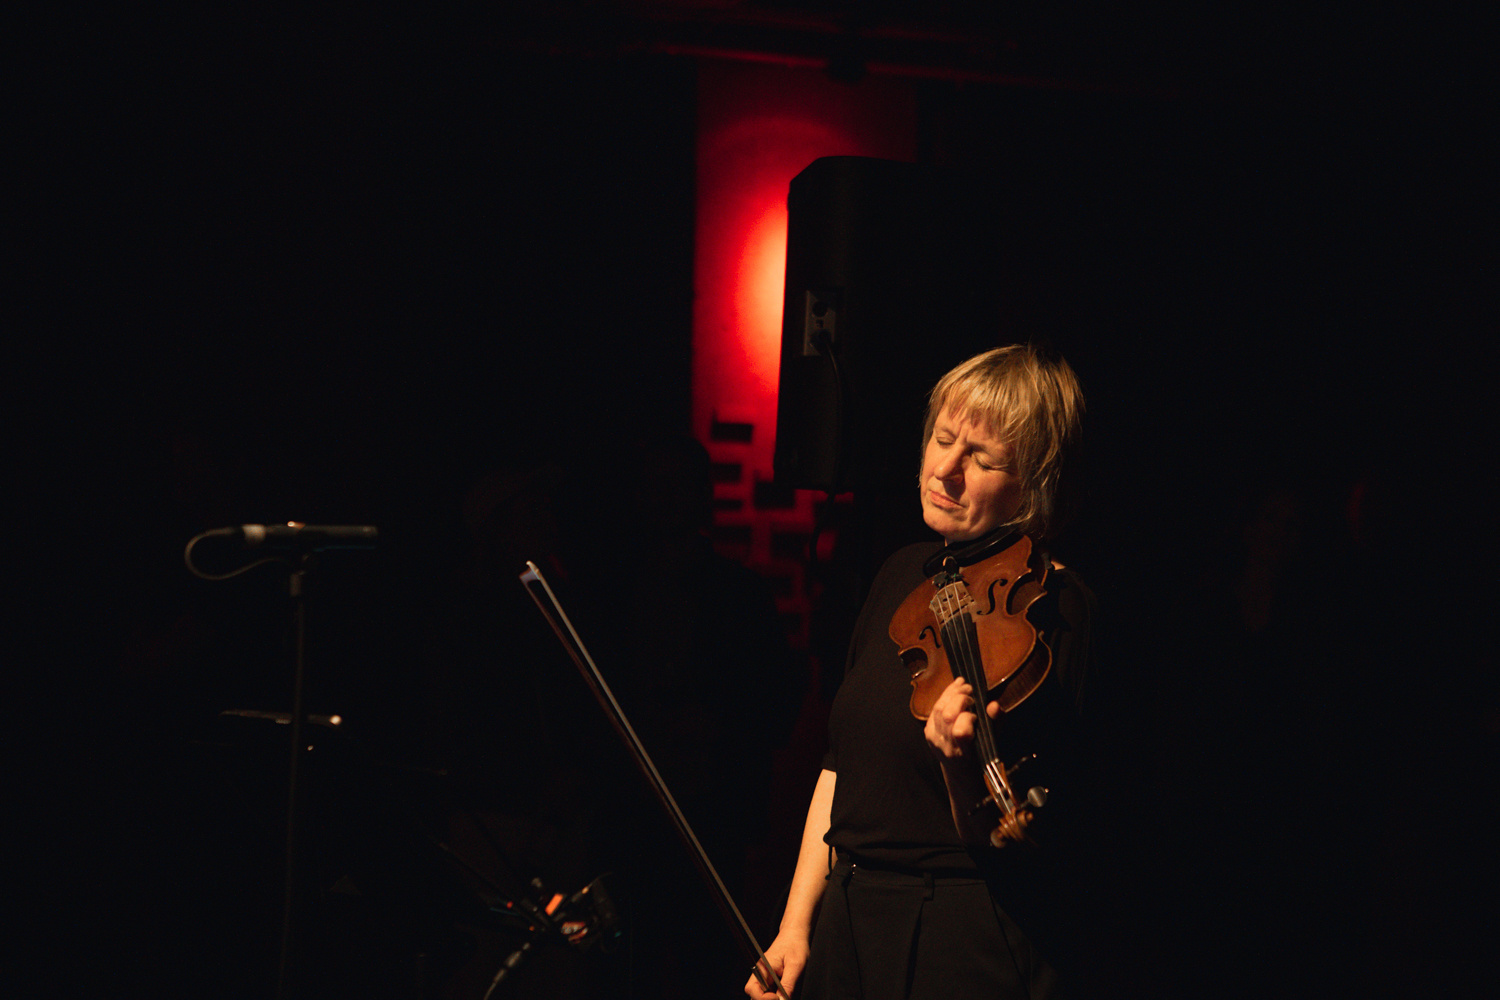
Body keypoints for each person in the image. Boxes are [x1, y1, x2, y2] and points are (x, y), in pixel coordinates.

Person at [746, 344, 1092, 1000]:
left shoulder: (1056, 606)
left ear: (1035, 485)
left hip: (960, 932)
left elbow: (1021, 843)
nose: (946, 470)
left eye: (982, 459)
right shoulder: (903, 572)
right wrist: (794, 928)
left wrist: (959, 768)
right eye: (943, 439)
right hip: (849, 917)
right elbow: (838, 768)